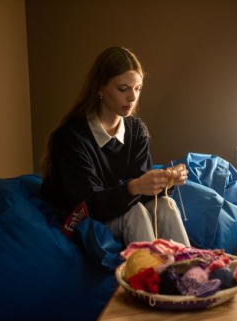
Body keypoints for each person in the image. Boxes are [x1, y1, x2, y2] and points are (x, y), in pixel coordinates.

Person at [41, 46, 190, 247]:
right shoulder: (71, 138)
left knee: (165, 204)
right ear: (100, 88)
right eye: (123, 89)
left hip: (117, 208)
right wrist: (134, 187)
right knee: (135, 213)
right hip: (81, 219)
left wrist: (165, 182)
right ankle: (149, 276)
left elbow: (142, 189)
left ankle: (191, 271)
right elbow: (86, 206)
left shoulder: (136, 130)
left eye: (137, 89)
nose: (132, 98)